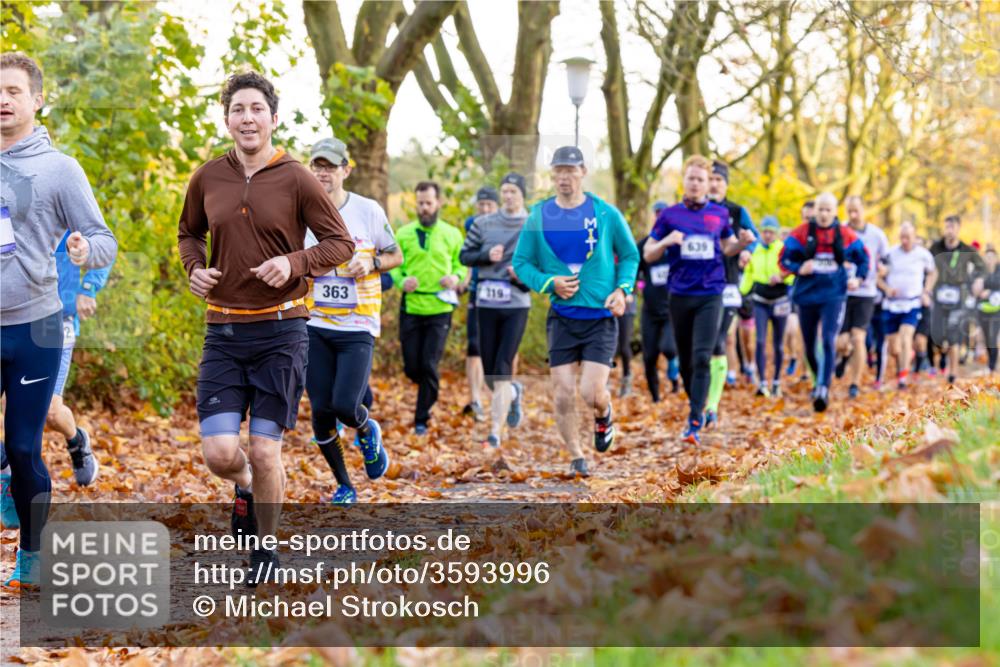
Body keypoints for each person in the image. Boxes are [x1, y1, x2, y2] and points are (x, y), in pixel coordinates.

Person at [177, 71, 354, 583]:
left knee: (265, 446)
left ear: (274, 118)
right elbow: (189, 233)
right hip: (224, 331)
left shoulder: (296, 177)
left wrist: (295, 263)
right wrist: (195, 268)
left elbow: (340, 244)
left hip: (282, 330)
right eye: (238, 109)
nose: (247, 117)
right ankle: (247, 487)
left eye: (257, 108)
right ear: (227, 118)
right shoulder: (208, 176)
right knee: (220, 453)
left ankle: (267, 550)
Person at [0, 52, 118, 588]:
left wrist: (81, 251)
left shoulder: (60, 169)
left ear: (36, 100)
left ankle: (32, 553)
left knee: (24, 446)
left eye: (14, 91)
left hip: (38, 325)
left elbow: (103, 239)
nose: (3, 100)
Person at [512, 146, 638, 476]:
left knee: (590, 392)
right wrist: (548, 282)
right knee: (564, 393)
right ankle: (576, 455)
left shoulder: (606, 214)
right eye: (558, 171)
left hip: (600, 317)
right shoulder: (538, 216)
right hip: (562, 319)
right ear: (552, 175)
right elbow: (521, 263)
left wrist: (622, 290)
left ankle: (604, 412)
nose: (564, 177)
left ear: (582, 172)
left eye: (571, 170)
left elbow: (629, 256)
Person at [303, 137, 401, 505]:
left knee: (345, 405)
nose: (322, 173)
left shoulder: (368, 210)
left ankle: (365, 426)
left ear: (346, 170)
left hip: (358, 324)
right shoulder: (301, 212)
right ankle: (344, 484)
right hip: (314, 323)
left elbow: (395, 255)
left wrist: (371, 263)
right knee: (320, 411)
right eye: (317, 166)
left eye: (330, 166)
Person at [643, 155, 755, 444]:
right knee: (687, 362)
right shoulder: (670, 215)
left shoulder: (719, 215)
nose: (695, 184)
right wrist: (668, 242)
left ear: (707, 184)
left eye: (701, 180)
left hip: (711, 293)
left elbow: (727, 246)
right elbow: (649, 253)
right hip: (680, 294)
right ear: (685, 180)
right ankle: (697, 404)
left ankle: (695, 420)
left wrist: (741, 244)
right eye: (691, 178)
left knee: (703, 355)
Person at [780, 192, 869, 412]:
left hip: (834, 296)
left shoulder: (845, 234)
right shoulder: (801, 233)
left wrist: (858, 279)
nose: (824, 214)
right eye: (820, 209)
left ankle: (822, 388)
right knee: (809, 346)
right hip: (806, 296)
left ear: (834, 212)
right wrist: (798, 268)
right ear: (815, 211)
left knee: (829, 339)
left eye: (828, 210)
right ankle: (821, 376)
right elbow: (784, 258)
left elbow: (864, 257)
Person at [390, 181, 467, 435]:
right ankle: (427, 389)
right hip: (412, 305)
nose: (424, 208)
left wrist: (455, 278)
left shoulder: (452, 233)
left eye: (428, 203)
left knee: (429, 363)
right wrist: (403, 281)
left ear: (438, 203)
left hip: (440, 305)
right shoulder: (403, 233)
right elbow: (394, 266)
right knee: (412, 366)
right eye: (420, 203)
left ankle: (421, 418)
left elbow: (461, 264)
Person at [459, 172, 530, 449]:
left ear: (522, 194)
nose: (509, 196)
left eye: (514, 191)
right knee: (490, 372)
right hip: (487, 302)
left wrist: (522, 276)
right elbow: (465, 256)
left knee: (501, 366)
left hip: (516, 304)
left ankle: (494, 433)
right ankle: (513, 392)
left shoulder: (532, 225)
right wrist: (486, 256)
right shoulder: (483, 223)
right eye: (506, 191)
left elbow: (542, 265)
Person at [45, 230, 115, 486]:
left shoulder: (63, 196)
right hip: (11, 320)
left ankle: (76, 441)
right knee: (14, 408)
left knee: (51, 413)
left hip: (55, 324)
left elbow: (105, 246)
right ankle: (10, 477)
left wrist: (88, 287)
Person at [704, 160, 759, 427]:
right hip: (697, 286)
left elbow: (754, 236)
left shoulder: (737, 212)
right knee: (699, 345)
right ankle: (701, 395)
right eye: (710, 179)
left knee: (718, 340)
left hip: (727, 284)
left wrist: (748, 249)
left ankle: (711, 406)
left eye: (718, 180)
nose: (714, 184)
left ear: (725, 184)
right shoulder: (693, 210)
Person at [834, 196, 889, 398]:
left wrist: (883, 269)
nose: (853, 215)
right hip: (842, 293)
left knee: (858, 338)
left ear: (864, 210)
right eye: (849, 211)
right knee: (841, 342)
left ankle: (854, 384)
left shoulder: (877, 235)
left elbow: (886, 260)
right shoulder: (839, 231)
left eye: (856, 211)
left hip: (866, 292)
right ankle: (843, 357)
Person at [739, 216, 793, 397]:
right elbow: (748, 274)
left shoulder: (784, 250)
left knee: (778, 344)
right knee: (760, 341)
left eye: (771, 232)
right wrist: (741, 293)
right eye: (765, 231)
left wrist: (781, 276)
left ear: (776, 234)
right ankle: (762, 383)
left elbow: (793, 273)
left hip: (780, 300)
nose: (768, 235)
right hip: (760, 300)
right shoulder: (755, 250)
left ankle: (776, 382)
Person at [878, 222, 936, 390]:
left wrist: (926, 292)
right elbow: (877, 276)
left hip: (912, 303)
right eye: (902, 237)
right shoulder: (890, 254)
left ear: (914, 236)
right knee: (893, 347)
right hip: (892, 305)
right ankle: (904, 361)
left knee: (906, 338)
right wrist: (887, 288)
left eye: (908, 237)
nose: (904, 241)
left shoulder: (923, 255)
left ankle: (902, 378)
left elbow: (932, 272)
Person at [928, 215, 984, 384]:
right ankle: (942, 354)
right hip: (938, 296)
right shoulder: (935, 247)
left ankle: (953, 372)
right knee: (936, 335)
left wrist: (978, 281)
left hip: (958, 297)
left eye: (952, 227)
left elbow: (982, 269)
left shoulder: (967, 250)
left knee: (954, 335)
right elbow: (924, 265)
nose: (949, 231)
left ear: (958, 229)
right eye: (947, 227)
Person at [462, 186, 499, 422]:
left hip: (505, 293)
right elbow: (466, 255)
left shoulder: (507, 224)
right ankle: (475, 399)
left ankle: (501, 395)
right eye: (481, 205)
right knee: (474, 345)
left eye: (489, 205)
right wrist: (464, 280)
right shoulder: (471, 225)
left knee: (500, 348)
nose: (484, 209)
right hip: (478, 290)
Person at [637, 221, 680, 402]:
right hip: (650, 309)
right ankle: (655, 398)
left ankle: (674, 374)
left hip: (672, 308)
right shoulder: (645, 245)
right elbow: (633, 268)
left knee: (669, 348)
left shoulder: (677, 245)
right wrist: (632, 287)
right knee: (649, 357)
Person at [782, 202, 813, 382]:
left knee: (814, 335)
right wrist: (797, 269)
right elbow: (784, 261)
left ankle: (810, 370)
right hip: (795, 292)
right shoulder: (796, 238)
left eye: (811, 218)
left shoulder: (826, 238)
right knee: (794, 332)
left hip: (819, 292)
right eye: (805, 218)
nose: (808, 221)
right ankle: (800, 364)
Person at [972, 246, 1000, 374]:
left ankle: (992, 366)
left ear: (996, 258)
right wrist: (978, 289)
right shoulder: (980, 273)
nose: (989, 260)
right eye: (986, 257)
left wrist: (990, 291)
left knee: (993, 337)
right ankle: (991, 364)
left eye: (991, 257)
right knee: (987, 339)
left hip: (997, 311)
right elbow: (974, 290)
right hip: (982, 311)